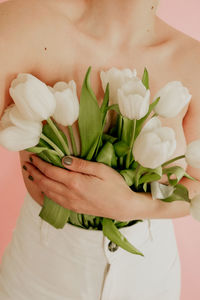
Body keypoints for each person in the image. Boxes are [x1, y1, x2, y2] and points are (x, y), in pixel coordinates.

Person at [0, 0, 200, 299]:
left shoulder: (192, 61)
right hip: (43, 267)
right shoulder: (25, 19)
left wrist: (131, 206)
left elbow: (196, 187)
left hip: (149, 271)